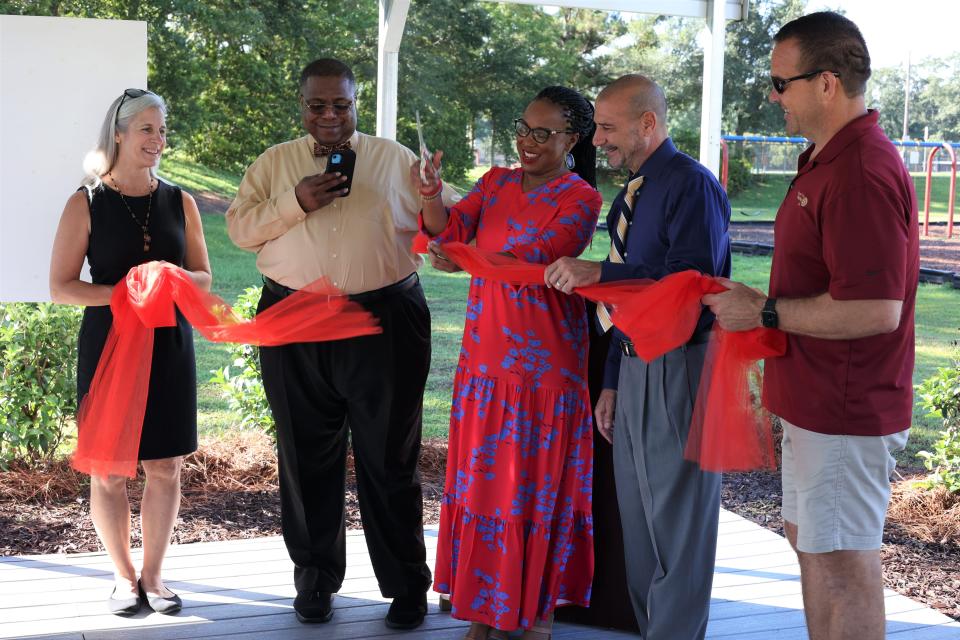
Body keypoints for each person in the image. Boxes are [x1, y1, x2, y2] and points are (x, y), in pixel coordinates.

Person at [703, 12, 918, 640]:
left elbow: (877, 310)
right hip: (813, 400)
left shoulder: (859, 173)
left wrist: (764, 311)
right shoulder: (828, 160)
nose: (774, 97)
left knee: (844, 568)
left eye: (780, 83)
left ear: (826, 82)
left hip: (844, 408)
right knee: (815, 553)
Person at [226, 58, 445, 630]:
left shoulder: (394, 159)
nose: (329, 115)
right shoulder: (274, 163)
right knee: (303, 457)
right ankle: (316, 581)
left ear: (355, 103)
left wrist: (431, 197)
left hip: (384, 319)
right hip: (294, 317)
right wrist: (295, 201)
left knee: (390, 457)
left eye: (340, 104)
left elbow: (434, 231)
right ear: (301, 106)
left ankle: (406, 586)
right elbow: (241, 230)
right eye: (317, 105)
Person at [544, 74, 731, 640]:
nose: (596, 140)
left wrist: (602, 273)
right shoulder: (636, 191)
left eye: (606, 127)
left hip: (682, 366)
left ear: (647, 123)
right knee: (641, 522)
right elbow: (631, 304)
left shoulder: (690, 186)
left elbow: (692, 283)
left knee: (677, 525)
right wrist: (613, 381)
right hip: (636, 366)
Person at [417, 86, 602, 640]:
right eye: (522, 128)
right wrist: (430, 195)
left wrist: (458, 255)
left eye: (543, 133)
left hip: (545, 369)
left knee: (533, 487)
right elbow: (446, 234)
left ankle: (535, 614)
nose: (527, 141)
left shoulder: (581, 199)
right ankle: (484, 609)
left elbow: (532, 264)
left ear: (573, 139)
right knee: (484, 488)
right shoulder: (495, 181)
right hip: (485, 362)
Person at [49, 89, 212, 616]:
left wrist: (171, 279)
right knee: (109, 471)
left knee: (164, 464)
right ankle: (123, 578)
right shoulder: (86, 201)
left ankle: (156, 576)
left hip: (167, 343)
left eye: (162, 130)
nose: (158, 140)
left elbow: (205, 275)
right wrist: (125, 293)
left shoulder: (179, 200)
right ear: (117, 134)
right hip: (109, 346)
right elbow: (62, 287)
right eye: (146, 129)